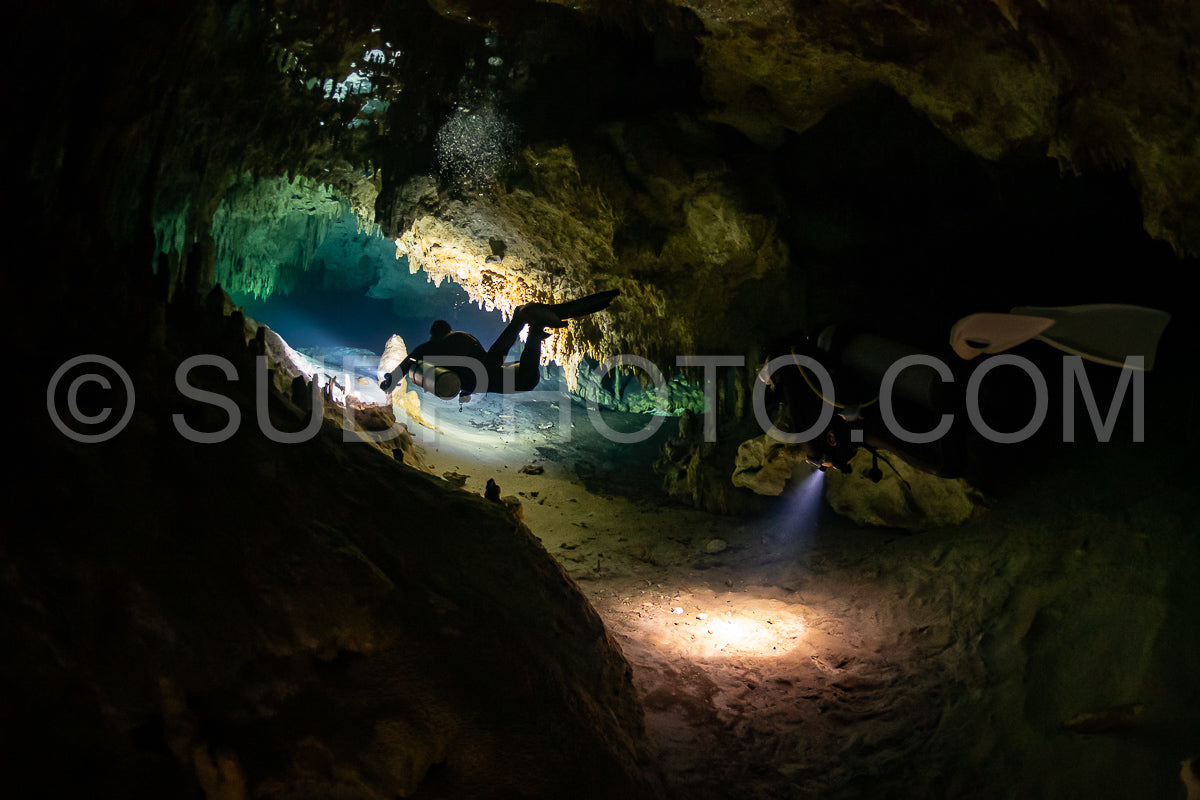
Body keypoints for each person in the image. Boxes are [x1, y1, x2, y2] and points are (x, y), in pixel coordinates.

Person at [380, 290, 619, 398]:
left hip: (482, 380)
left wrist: (389, 382)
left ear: (434, 333)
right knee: (523, 376)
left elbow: (404, 366)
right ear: (447, 330)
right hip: (485, 374)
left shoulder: (425, 349)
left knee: (524, 379)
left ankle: (526, 325)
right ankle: (529, 328)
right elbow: (486, 355)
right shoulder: (461, 336)